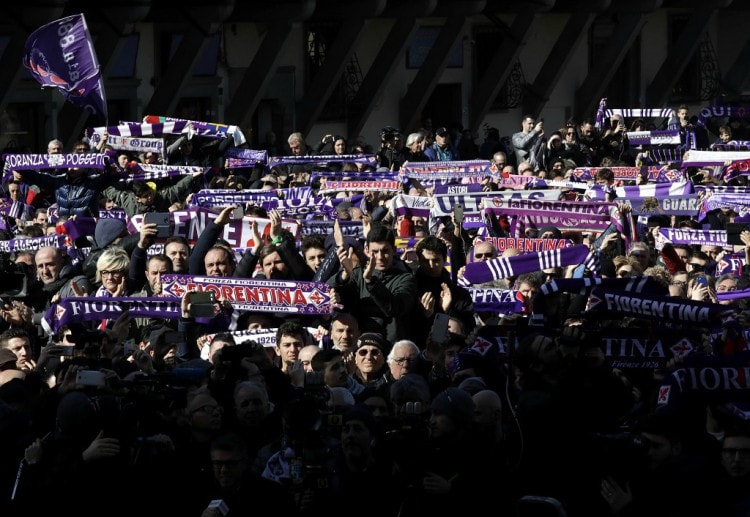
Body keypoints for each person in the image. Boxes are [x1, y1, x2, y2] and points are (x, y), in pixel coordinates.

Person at [329, 225, 416, 343]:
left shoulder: (405, 278)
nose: (380, 257)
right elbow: (331, 292)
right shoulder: (357, 274)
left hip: (390, 345)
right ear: (366, 251)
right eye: (374, 252)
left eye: (385, 251)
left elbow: (395, 307)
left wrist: (371, 281)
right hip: (358, 343)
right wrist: (343, 275)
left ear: (394, 250)